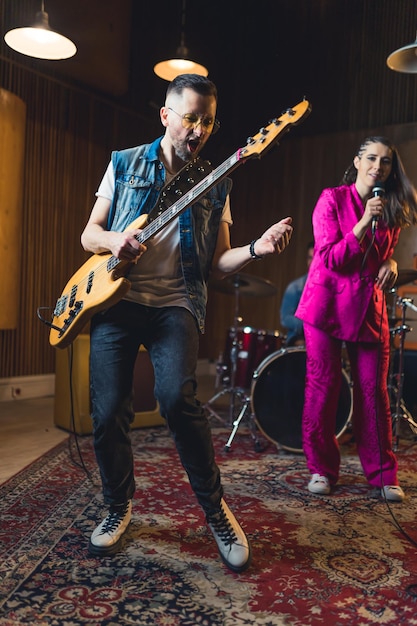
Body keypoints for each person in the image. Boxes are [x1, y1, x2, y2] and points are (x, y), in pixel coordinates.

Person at [80, 73, 293, 572]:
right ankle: (118, 505)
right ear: (166, 115)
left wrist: (256, 249)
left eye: (209, 121)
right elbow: (90, 234)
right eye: (191, 117)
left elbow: (217, 264)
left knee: (177, 397)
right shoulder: (123, 162)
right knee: (107, 411)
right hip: (117, 299)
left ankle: (215, 509)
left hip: (176, 303)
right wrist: (115, 243)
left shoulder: (217, 183)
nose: (199, 129)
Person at [295, 136, 417, 501]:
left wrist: (391, 262)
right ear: (357, 161)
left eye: (385, 161)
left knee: (374, 393)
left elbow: (381, 256)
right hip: (326, 305)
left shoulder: (391, 208)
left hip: (367, 306)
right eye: (371, 158)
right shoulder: (331, 199)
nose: (378, 166)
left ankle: (382, 474)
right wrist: (364, 221)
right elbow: (331, 258)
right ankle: (321, 469)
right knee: (324, 386)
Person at [280, 240, 314, 346]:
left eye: (315, 258)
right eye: (309, 258)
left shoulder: (330, 286)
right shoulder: (295, 287)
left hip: (322, 338)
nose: (312, 262)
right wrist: (309, 326)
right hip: (298, 337)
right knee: (302, 344)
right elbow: (285, 318)